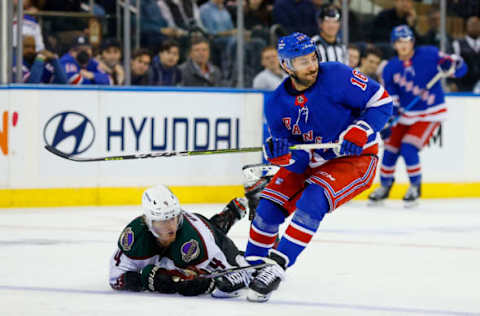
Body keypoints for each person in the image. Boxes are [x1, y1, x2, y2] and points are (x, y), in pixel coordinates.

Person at [237, 32, 393, 302]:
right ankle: (252, 265)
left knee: (313, 198)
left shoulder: (336, 75)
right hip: (313, 161)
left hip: (355, 158)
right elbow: (295, 156)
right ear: (286, 66)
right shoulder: (275, 104)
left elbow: (382, 102)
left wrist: (361, 130)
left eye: (313, 58)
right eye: (302, 62)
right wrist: (280, 156)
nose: (311, 66)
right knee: (267, 207)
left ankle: (275, 267)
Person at [368, 25, 467, 208]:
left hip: (430, 113)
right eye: (399, 42)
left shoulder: (429, 54)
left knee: (408, 148)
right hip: (406, 115)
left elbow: (460, 68)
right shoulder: (390, 68)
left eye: (407, 41)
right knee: (390, 149)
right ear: (394, 44)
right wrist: (390, 118)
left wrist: (453, 64)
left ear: (413, 42)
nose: (404, 45)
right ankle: (385, 186)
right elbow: (392, 97)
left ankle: (415, 186)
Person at [109, 185, 252, 297]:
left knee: (219, 236)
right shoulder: (135, 237)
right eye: (163, 220)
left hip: (208, 233)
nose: (171, 226)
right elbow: (115, 279)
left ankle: (229, 215)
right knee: (214, 227)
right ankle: (230, 213)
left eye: (173, 218)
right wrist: (142, 281)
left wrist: (208, 283)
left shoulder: (196, 239)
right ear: (149, 222)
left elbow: (234, 275)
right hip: (197, 227)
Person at [451, 16, 480, 92]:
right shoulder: (457, 44)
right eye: (472, 24)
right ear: (467, 26)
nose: (474, 27)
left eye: (477, 24)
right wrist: (453, 83)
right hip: (463, 86)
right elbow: (452, 65)